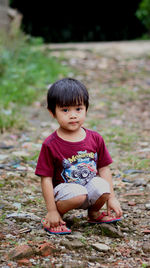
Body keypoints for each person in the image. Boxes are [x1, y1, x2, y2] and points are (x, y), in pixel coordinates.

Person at [35, 77, 122, 234]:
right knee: (77, 193)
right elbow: (45, 178)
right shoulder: (50, 144)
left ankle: (94, 213)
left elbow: (104, 168)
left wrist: (112, 198)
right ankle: (56, 216)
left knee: (103, 186)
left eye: (78, 109)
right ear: (52, 112)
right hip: (67, 192)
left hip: (88, 187)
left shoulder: (95, 138)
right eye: (65, 110)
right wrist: (52, 209)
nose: (73, 115)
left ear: (86, 109)